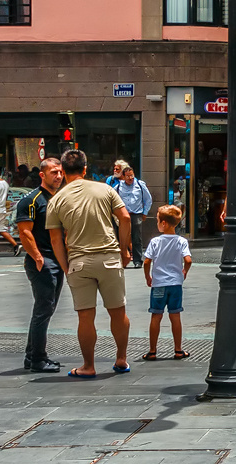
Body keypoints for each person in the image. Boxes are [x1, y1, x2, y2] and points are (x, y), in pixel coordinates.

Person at [45, 148, 133, 378]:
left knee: (85, 316)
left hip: (78, 261)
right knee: (118, 311)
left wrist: (65, 266)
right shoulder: (104, 189)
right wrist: (124, 250)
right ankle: (121, 359)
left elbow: (55, 238)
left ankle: (88, 366)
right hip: (109, 258)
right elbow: (124, 218)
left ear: (62, 171)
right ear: (85, 169)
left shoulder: (56, 200)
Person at [16, 156, 65, 372]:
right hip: (43, 261)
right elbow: (24, 232)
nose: (59, 175)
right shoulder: (32, 200)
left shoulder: (59, 197)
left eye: (60, 172)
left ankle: (33, 355)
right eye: (54, 172)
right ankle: (37, 358)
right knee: (43, 309)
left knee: (47, 308)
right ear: (43, 175)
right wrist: (38, 258)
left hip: (57, 260)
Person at [142, 204, 192, 361]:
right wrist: (184, 271)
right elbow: (188, 260)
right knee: (175, 315)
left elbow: (146, 262)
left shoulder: (155, 241)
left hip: (158, 284)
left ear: (163, 223)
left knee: (156, 316)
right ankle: (178, 350)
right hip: (175, 284)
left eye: (157, 220)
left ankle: (152, 351)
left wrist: (148, 277)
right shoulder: (181, 241)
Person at [114, 164, 153, 267]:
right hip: (123, 215)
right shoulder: (118, 187)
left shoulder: (140, 185)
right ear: (123, 176)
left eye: (132, 175)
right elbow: (111, 199)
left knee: (136, 237)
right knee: (122, 238)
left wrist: (145, 213)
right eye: (128, 176)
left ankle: (138, 261)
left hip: (136, 214)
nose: (130, 178)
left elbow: (148, 199)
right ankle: (122, 259)